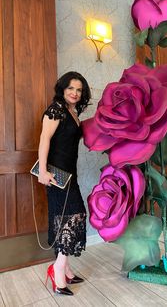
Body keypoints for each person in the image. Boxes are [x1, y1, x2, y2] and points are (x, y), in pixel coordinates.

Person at [38, 71, 91, 295]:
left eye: (79, 90)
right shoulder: (56, 109)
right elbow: (44, 139)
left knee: (71, 218)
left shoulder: (73, 111)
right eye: (71, 88)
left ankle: (65, 267)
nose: (75, 93)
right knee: (69, 218)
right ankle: (57, 270)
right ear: (62, 88)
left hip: (70, 174)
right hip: (55, 174)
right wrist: (42, 171)